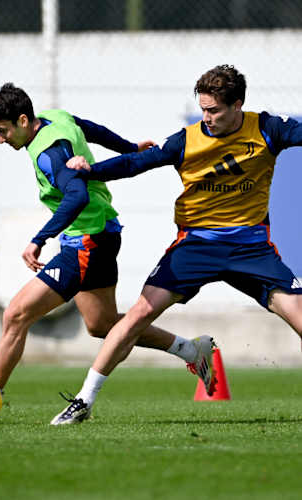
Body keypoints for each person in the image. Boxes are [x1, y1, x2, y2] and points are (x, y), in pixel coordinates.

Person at [52, 64, 302, 425]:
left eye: (214, 110)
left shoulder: (267, 128)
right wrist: (91, 170)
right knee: (138, 314)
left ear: (238, 105)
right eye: (202, 109)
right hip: (195, 245)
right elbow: (137, 163)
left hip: (252, 248)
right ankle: (84, 400)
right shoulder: (187, 140)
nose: (207, 118)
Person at [0, 83, 216, 422]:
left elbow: (76, 196)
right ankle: (191, 350)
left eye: (2, 131)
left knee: (16, 314)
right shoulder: (54, 118)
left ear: (22, 120)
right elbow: (87, 126)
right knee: (102, 324)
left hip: (87, 242)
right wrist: (128, 147)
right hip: (101, 234)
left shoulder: (50, 155)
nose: (0, 140)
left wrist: (39, 239)